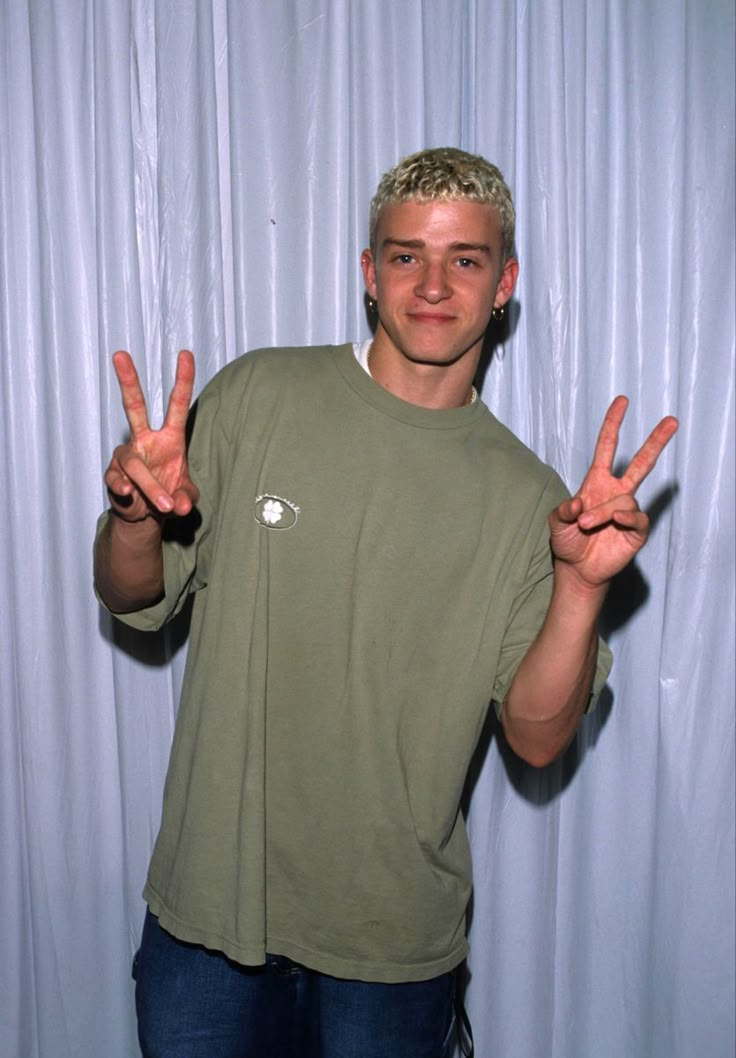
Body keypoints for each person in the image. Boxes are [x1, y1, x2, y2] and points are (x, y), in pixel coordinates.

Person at [94, 147, 678, 1058]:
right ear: (370, 275)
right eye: (406, 256)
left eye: (466, 259)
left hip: (392, 950)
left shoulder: (534, 501)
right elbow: (131, 594)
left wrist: (579, 588)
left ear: (505, 284)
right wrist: (133, 519)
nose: (434, 284)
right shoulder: (259, 394)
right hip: (209, 918)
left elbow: (535, 737)